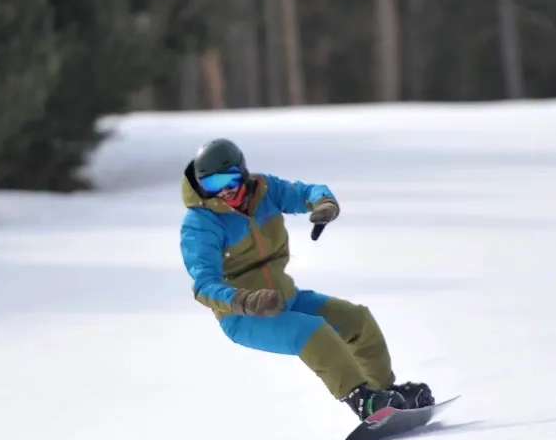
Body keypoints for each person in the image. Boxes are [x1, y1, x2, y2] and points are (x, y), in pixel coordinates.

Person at [178, 138, 433, 421]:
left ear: (244, 172)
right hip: (243, 316)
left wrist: (322, 203)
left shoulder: (265, 190)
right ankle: (363, 401)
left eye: (230, 179)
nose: (225, 190)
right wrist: (245, 301)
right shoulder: (200, 224)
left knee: (357, 320)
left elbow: (305, 192)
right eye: (213, 185)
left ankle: (384, 393)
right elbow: (203, 285)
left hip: (287, 298)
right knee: (311, 331)